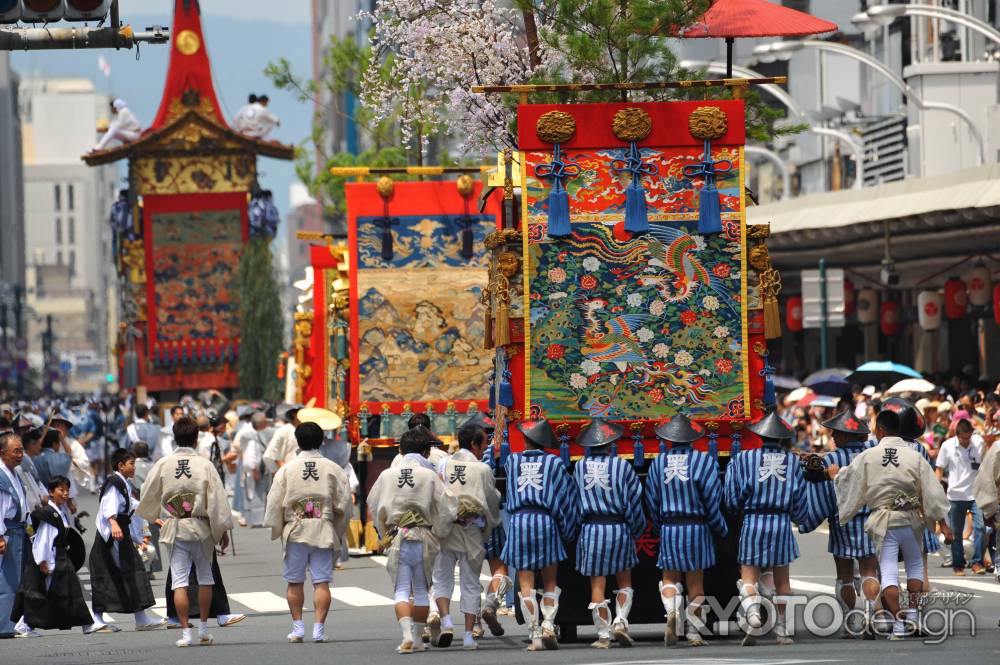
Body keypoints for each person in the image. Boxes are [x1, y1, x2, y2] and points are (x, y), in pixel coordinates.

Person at [835, 408, 952, 640]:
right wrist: (944, 524)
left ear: (880, 430)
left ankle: (898, 625)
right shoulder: (914, 455)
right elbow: (933, 491)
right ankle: (914, 617)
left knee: (888, 573)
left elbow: (848, 479)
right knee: (915, 568)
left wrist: (833, 475)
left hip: (885, 521)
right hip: (910, 519)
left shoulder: (869, 455)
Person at [137, 416, 234, 647]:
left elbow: (147, 492)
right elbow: (218, 500)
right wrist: (222, 529)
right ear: (196, 437)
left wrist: (156, 516)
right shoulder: (204, 465)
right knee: (205, 578)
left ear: (174, 436)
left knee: (179, 580)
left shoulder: (163, 464)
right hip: (201, 526)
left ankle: (185, 633)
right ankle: (202, 628)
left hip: (175, 524)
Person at [367, 427, 457, 654]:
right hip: (425, 535)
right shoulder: (429, 476)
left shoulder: (387, 475)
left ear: (400, 449)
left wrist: (383, 531)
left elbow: (374, 503)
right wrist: (439, 531)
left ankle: (407, 635)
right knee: (421, 588)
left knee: (401, 590)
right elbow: (446, 507)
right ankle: (417, 638)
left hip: (398, 535)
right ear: (427, 452)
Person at [724, 411, 811, 647]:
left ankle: (753, 614)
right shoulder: (793, 461)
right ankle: (783, 630)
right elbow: (800, 500)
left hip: (753, 521)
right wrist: (799, 518)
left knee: (748, 576)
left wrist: (738, 507)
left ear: (760, 436)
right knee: (782, 580)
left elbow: (731, 499)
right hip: (781, 522)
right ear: (782, 438)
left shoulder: (743, 459)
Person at [264, 422, 351, 643]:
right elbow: (345, 506)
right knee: (321, 581)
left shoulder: (286, 469)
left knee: (294, 581)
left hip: (295, 529)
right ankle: (319, 629)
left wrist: (278, 528)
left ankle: (298, 627)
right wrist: (337, 530)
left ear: (298, 441)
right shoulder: (333, 468)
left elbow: (274, 504)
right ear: (322, 440)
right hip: (323, 528)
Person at [645, 415, 727, 648]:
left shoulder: (658, 463)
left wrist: (660, 525)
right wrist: (719, 527)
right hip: (697, 526)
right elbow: (712, 499)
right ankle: (693, 632)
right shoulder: (704, 461)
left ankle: (672, 613)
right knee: (696, 584)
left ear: (669, 439)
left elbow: (652, 500)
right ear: (692, 438)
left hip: (671, 527)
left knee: (669, 577)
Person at [502, 419, 580, 651]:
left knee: (526, 582)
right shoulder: (554, 463)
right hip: (546, 521)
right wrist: (568, 527)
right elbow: (566, 496)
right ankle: (548, 625)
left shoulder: (512, 461)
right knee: (549, 579)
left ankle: (534, 634)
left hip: (519, 522)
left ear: (526, 440)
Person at [571, 418, 644, 649]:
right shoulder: (622, 466)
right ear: (611, 444)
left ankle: (603, 635)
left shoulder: (580, 467)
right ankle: (621, 621)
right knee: (624, 580)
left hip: (592, 529)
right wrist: (636, 527)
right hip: (619, 527)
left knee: (597, 585)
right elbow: (634, 499)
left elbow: (573, 502)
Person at [807, 410, 881, 637]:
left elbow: (823, 494)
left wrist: (813, 517)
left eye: (836, 433)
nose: (832, 437)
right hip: (870, 519)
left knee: (845, 575)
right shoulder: (873, 456)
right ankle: (871, 616)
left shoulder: (829, 459)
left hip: (842, 522)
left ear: (847, 435)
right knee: (870, 571)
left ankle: (850, 620)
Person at [430, 422, 501, 650]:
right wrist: (488, 526)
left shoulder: (443, 464)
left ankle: (447, 622)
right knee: (471, 583)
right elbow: (492, 501)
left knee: (442, 579)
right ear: (474, 444)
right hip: (471, 530)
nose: (484, 450)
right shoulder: (482, 469)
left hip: (446, 528)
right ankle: (469, 635)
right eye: (483, 445)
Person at [88, 448, 163, 631]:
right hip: (112, 536)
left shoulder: (124, 483)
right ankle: (96, 619)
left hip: (121, 532)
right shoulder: (114, 482)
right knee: (106, 574)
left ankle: (141, 617)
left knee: (134, 571)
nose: (134, 467)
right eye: (131, 464)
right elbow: (108, 505)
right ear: (120, 466)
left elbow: (132, 506)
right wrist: (113, 523)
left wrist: (152, 517)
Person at [12, 475, 91, 631]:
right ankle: (24, 624)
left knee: (63, 592)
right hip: (52, 558)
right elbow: (43, 540)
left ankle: (87, 624)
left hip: (61, 556)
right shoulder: (48, 513)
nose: (65, 493)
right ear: (51, 492)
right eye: (61, 490)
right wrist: (42, 561)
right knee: (49, 592)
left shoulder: (60, 511)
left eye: (67, 490)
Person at [936, 418, 987, 575]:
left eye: (968, 437)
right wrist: (936, 489)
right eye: (963, 438)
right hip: (955, 495)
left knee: (981, 527)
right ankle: (958, 564)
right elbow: (939, 468)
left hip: (976, 494)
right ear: (956, 435)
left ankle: (977, 562)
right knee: (956, 533)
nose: (966, 441)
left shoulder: (978, 443)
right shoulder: (947, 446)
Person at [0, 433, 29, 638]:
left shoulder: (14, 473)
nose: (20, 455)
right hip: (7, 532)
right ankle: (4, 626)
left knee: (16, 579)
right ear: (3, 453)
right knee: (7, 581)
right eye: (16, 451)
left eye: (21, 450)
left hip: (19, 530)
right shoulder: (1, 476)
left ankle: (13, 622)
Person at [242, 412, 273, 527]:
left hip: (262, 469)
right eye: (265, 422)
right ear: (260, 424)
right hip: (256, 470)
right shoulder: (252, 436)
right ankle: (257, 520)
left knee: (262, 494)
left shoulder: (260, 434)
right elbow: (251, 456)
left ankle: (260, 519)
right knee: (257, 495)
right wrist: (254, 470)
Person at [263, 405, 303, 469]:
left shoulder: (304, 430)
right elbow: (271, 452)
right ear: (294, 415)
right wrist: (282, 467)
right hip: (287, 471)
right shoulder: (284, 430)